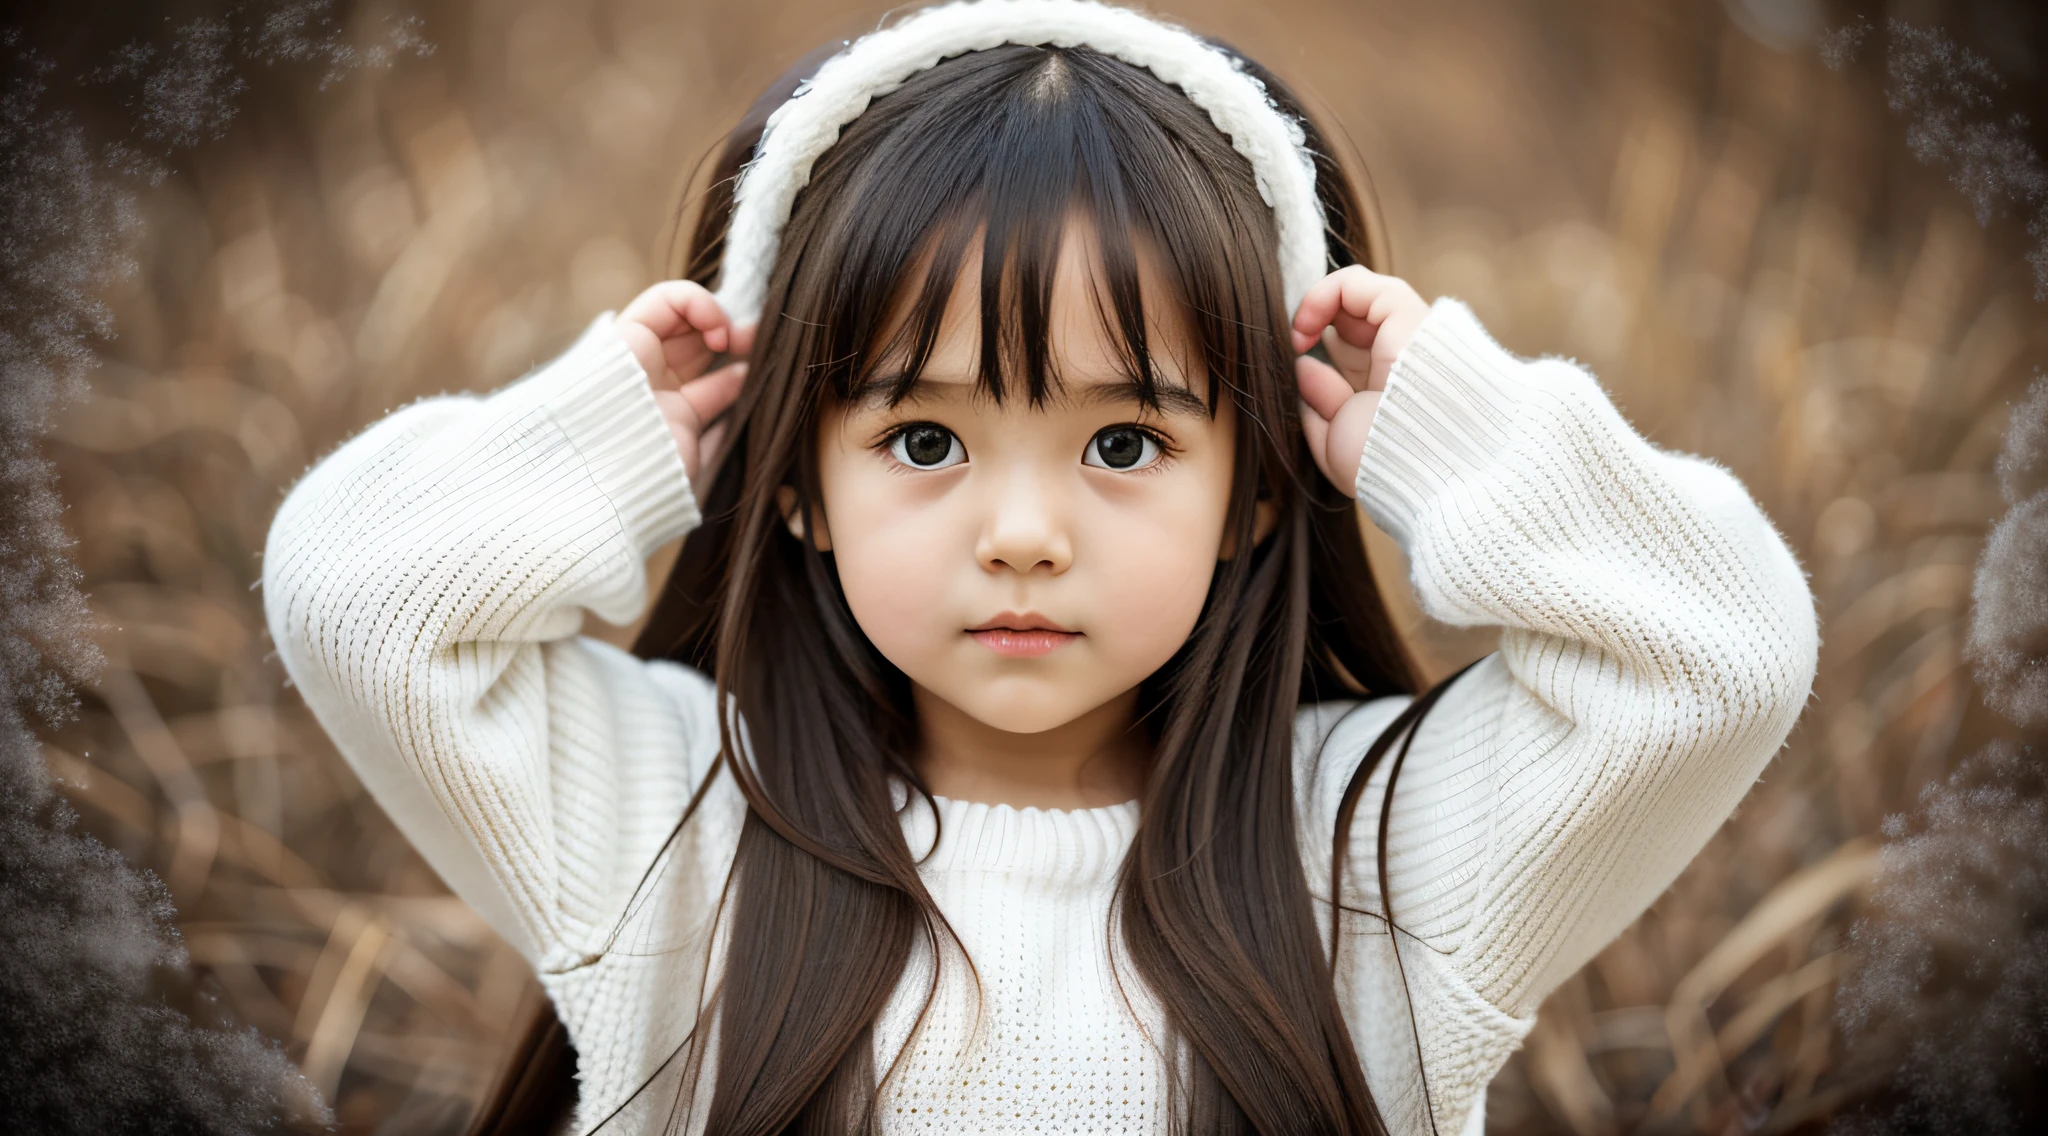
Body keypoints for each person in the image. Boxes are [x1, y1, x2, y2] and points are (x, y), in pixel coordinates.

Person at [260, 2, 1819, 1133]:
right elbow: (356, 594)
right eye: (923, 442)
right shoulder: (672, 821)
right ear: (796, 481)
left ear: (1257, 493)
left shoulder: (1379, 858)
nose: (1021, 530)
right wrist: (611, 441)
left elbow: (1717, 653)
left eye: (1125, 443)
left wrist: (1454, 435)